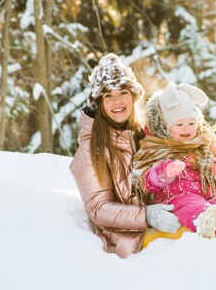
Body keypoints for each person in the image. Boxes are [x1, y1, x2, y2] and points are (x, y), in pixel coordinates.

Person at [69, 53, 182, 258]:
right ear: (99, 104)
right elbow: (98, 208)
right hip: (128, 244)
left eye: (123, 92)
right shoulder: (90, 149)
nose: (117, 101)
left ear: (133, 96)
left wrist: (208, 191)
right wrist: (147, 215)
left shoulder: (146, 135)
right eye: (108, 96)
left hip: (162, 226)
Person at [133, 82, 216, 239]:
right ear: (164, 127)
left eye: (191, 123)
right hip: (177, 198)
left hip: (211, 196)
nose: (186, 128)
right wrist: (163, 173)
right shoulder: (155, 148)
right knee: (191, 204)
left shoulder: (204, 145)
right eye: (179, 124)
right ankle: (203, 222)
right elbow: (144, 182)